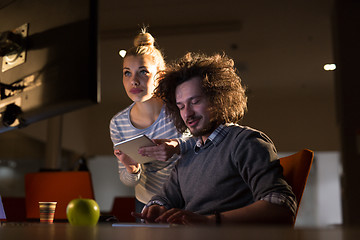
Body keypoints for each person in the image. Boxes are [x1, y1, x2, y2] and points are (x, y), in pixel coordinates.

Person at [133, 52, 297, 225]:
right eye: (181, 106)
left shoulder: (246, 142)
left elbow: (281, 206)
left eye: (195, 101)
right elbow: (164, 199)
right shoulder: (188, 155)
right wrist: (156, 207)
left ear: (218, 99)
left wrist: (210, 221)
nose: (187, 113)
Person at [109, 29, 193, 218]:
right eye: (127, 73)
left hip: (187, 199)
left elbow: (205, 147)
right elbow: (128, 180)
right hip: (148, 202)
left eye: (143, 72)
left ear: (160, 76)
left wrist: (177, 146)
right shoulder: (118, 124)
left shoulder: (178, 109)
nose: (134, 81)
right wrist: (131, 168)